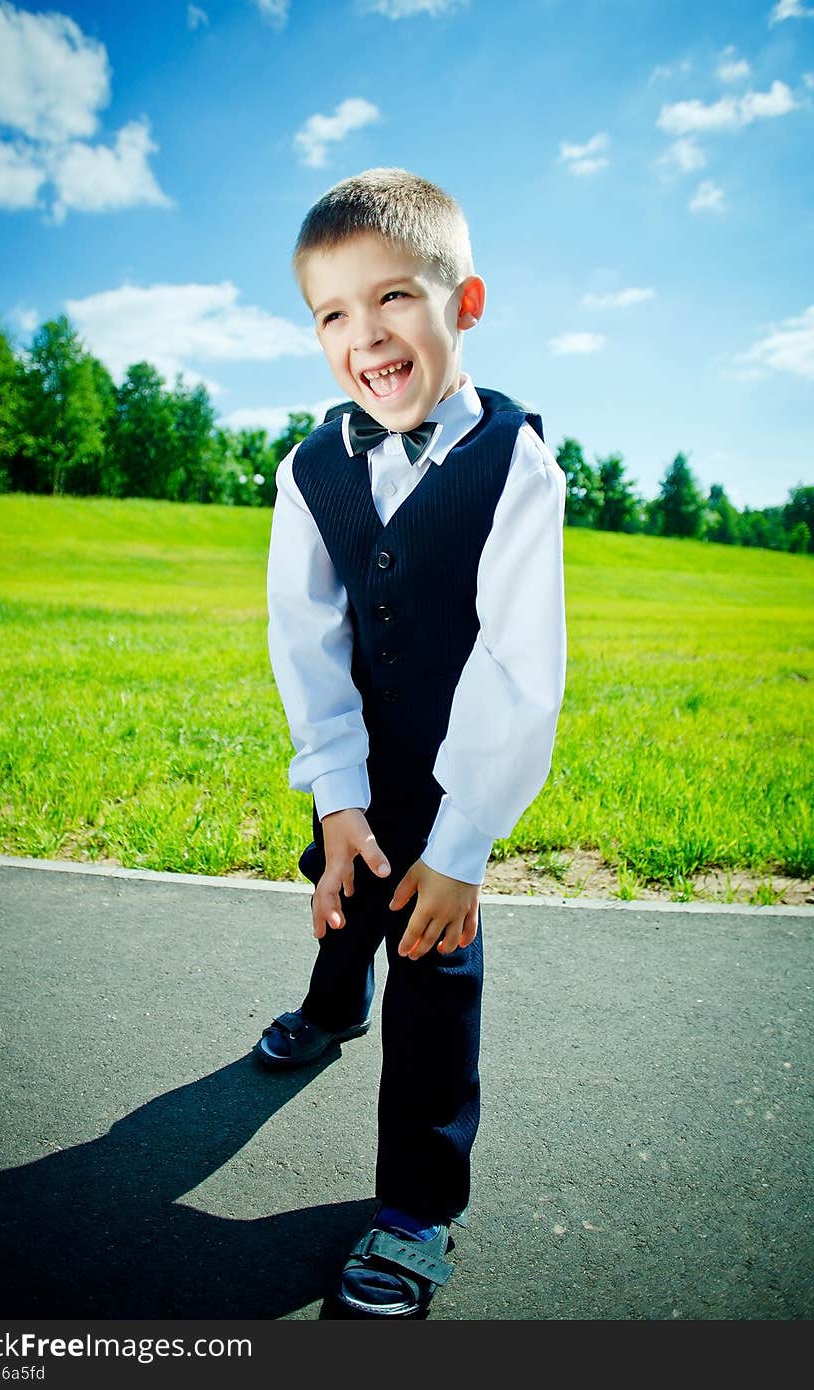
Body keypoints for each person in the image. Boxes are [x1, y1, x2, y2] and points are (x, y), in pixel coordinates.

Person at [255, 168, 567, 1318]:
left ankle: (417, 1208)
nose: (365, 334)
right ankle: (337, 1003)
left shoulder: (513, 459)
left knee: (429, 956)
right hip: (358, 753)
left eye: (392, 298)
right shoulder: (308, 467)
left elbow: (519, 666)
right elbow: (307, 639)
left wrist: (465, 842)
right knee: (340, 881)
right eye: (333, 313)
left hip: (455, 769)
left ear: (464, 304)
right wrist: (335, 795)